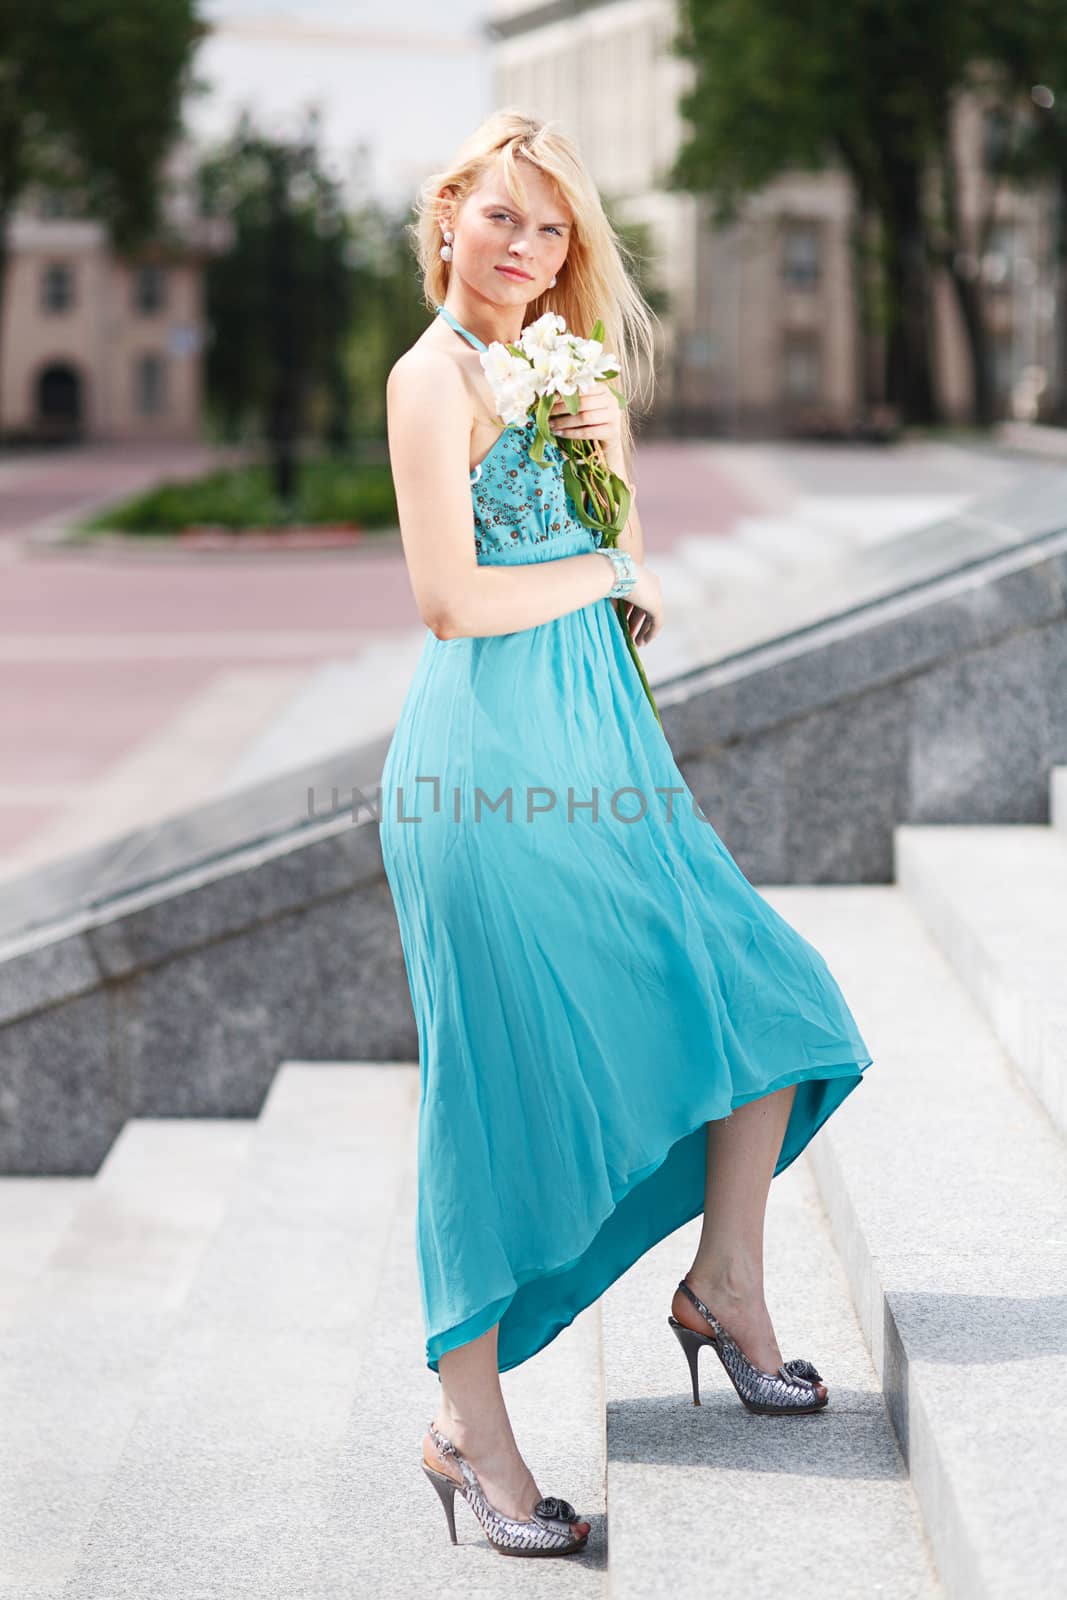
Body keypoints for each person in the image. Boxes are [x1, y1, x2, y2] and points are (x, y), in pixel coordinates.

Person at [380, 110, 874, 1559]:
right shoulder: (432, 380)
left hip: (603, 747)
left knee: (764, 995)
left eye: (553, 229)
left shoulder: (563, 365)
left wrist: (611, 484)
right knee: (487, 1093)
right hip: (488, 776)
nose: (526, 249)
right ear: (449, 217)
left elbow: (622, 562)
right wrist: (601, 561)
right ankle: (470, 1428)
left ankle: (724, 1281)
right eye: (502, 218)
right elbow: (453, 601)